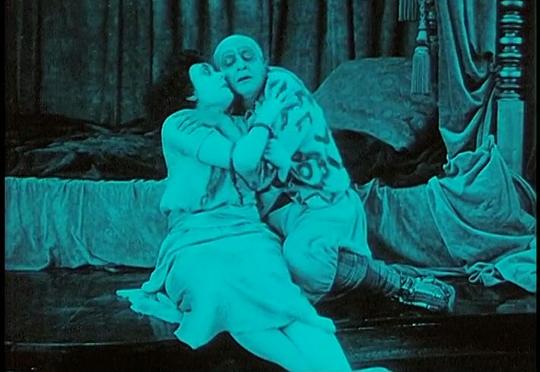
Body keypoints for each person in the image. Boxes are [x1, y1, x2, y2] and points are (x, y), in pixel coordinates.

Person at [117, 59, 353, 372]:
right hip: (195, 240)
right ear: (190, 94)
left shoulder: (242, 126)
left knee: (283, 300)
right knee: (223, 291)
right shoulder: (179, 124)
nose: (221, 75)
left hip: (248, 233)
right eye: (207, 72)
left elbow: (265, 178)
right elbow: (239, 158)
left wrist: (273, 151)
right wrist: (264, 121)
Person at [209, 34, 456, 311]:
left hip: (324, 202)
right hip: (286, 210)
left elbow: (259, 171)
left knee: (302, 260)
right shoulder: (239, 114)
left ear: (264, 63)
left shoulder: (281, 87)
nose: (241, 65)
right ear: (222, 77)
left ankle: (396, 283)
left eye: (248, 57)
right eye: (229, 62)